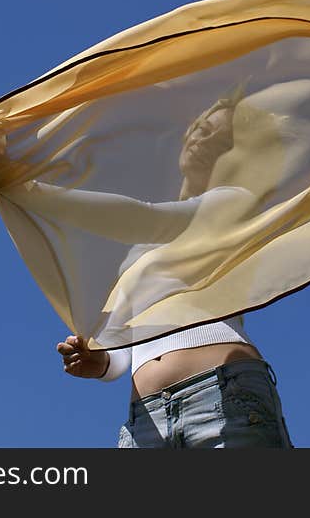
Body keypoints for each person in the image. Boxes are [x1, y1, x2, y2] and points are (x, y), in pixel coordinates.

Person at [54, 93, 294, 448]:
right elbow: (124, 345)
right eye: (198, 126)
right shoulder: (138, 255)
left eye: (216, 134)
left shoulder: (233, 204)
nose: (199, 135)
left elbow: (144, 219)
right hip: (145, 420)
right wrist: (100, 361)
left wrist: (39, 193)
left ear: (236, 152)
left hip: (225, 396)